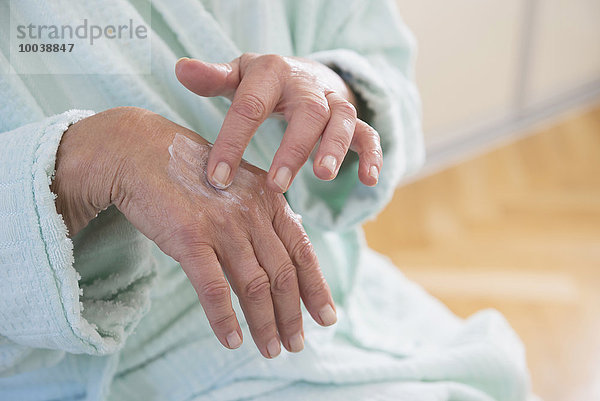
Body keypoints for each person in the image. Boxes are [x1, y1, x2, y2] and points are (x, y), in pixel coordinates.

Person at [0, 0, 534, 400]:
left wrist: (333, 90)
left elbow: (378, 55)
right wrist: (86, 159)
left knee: (499, 376)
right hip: (102, 366)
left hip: (329, 284)